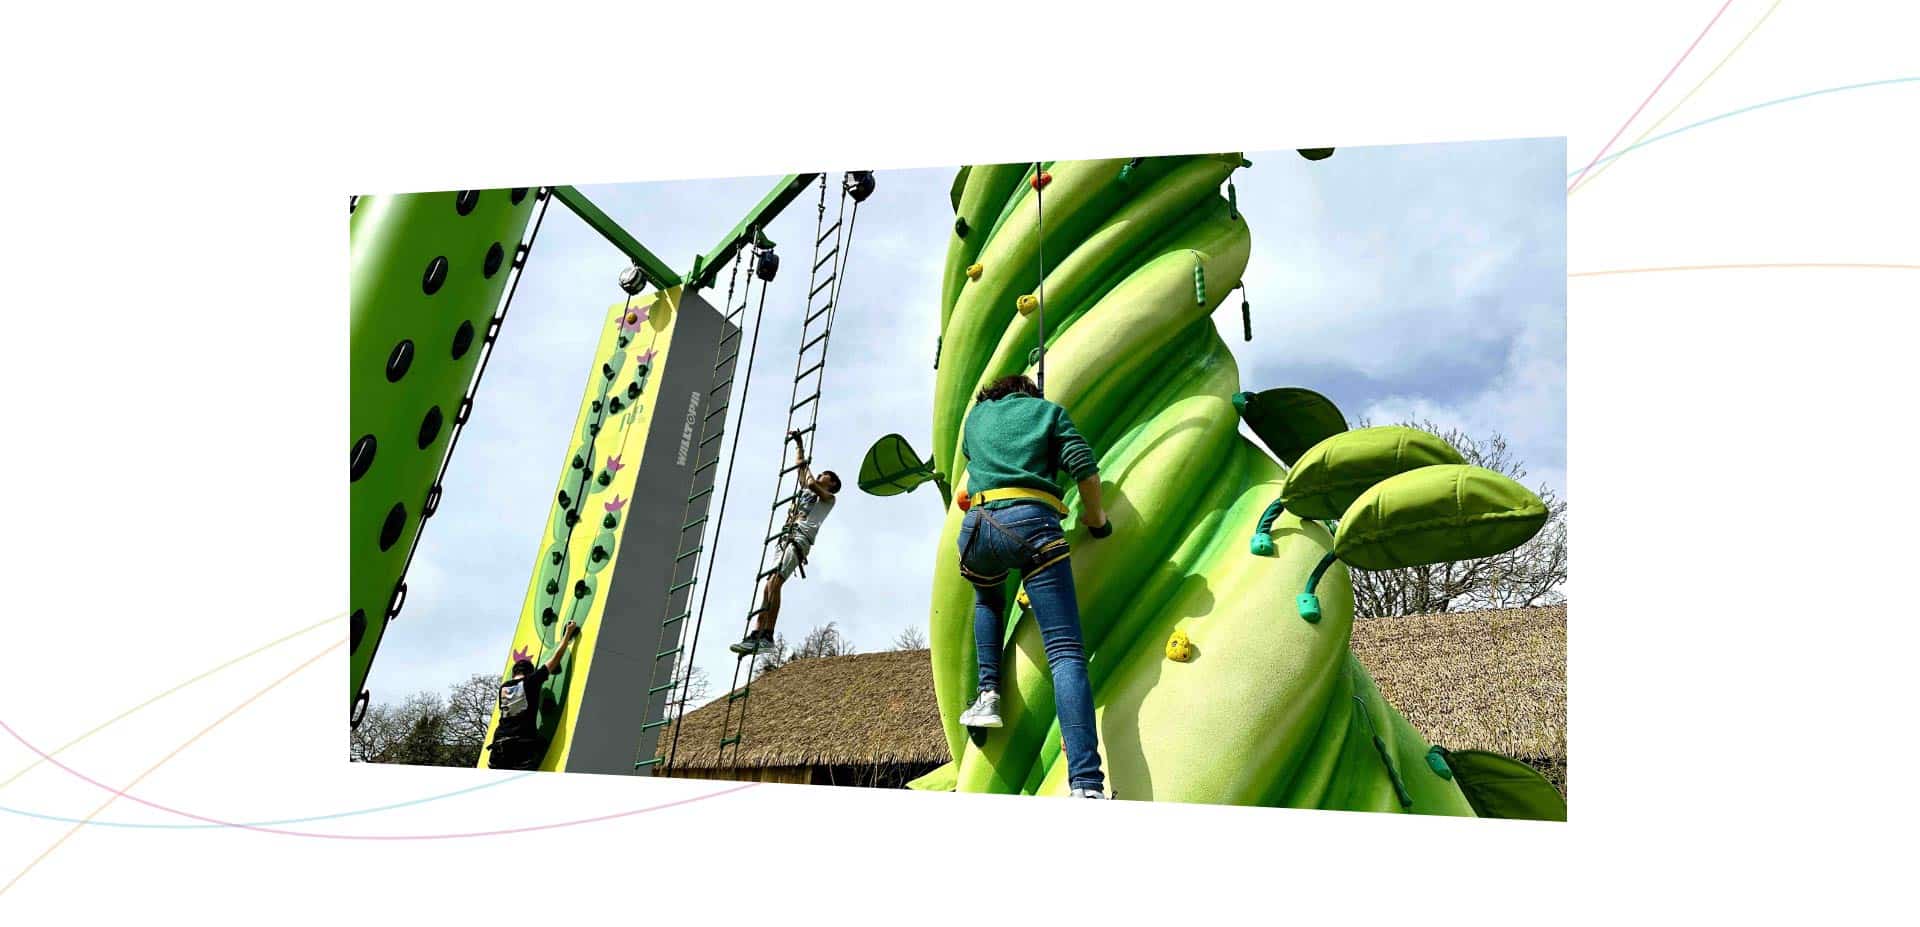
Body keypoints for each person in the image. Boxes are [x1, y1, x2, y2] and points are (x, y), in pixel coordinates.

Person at [952, 374, 1113, 798]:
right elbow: (1085, 469)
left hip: (977, 528)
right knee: (1065, 653)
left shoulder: (976, 418)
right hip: (1031, 525)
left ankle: (988, 695)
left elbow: (972, 472)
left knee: (989, 601)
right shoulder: (1047, 413)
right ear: (1029, 394)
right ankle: (1086, 784)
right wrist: (1096, 519)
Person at [731, 431, 842, 655]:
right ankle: (756, 633)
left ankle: (768, 635)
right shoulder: (807, 488)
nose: (821, 474)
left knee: (775, 583)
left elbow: (809, 481)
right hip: (785, 538)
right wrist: (798, 444)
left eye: (825, 475)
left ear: (832, 483)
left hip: (799, 539)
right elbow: (801, 468)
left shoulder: (828, 498)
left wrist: (807, 469)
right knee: (767, 586)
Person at [485, 620, 580, 770]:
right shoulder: (531, 681)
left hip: (497, 749)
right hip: (521, 749)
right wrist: (568, 633)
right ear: (530, 672)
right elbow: (555, 659)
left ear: (514, 673)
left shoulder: (504, 688)